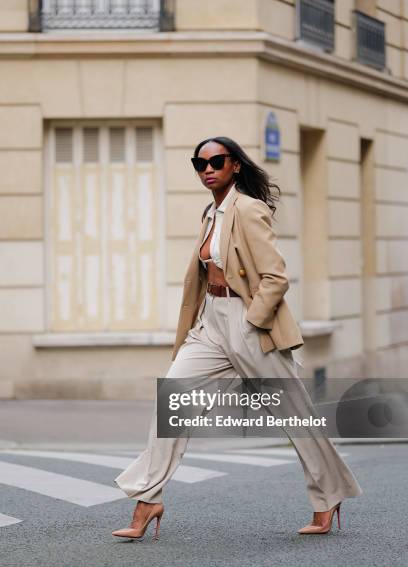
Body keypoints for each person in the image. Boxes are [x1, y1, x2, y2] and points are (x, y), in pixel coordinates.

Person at [111, 136, 362, 541]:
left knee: (296, 418)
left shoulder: (248, 210)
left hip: (248, 323)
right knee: (172, 400)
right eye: (199, 163)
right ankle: (148, 498)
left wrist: (252, 321)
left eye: (216, 161)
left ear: (235, 166)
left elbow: (275, 276)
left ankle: (327, 495)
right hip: (211, 323)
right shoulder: (210, 213)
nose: (207, 168)